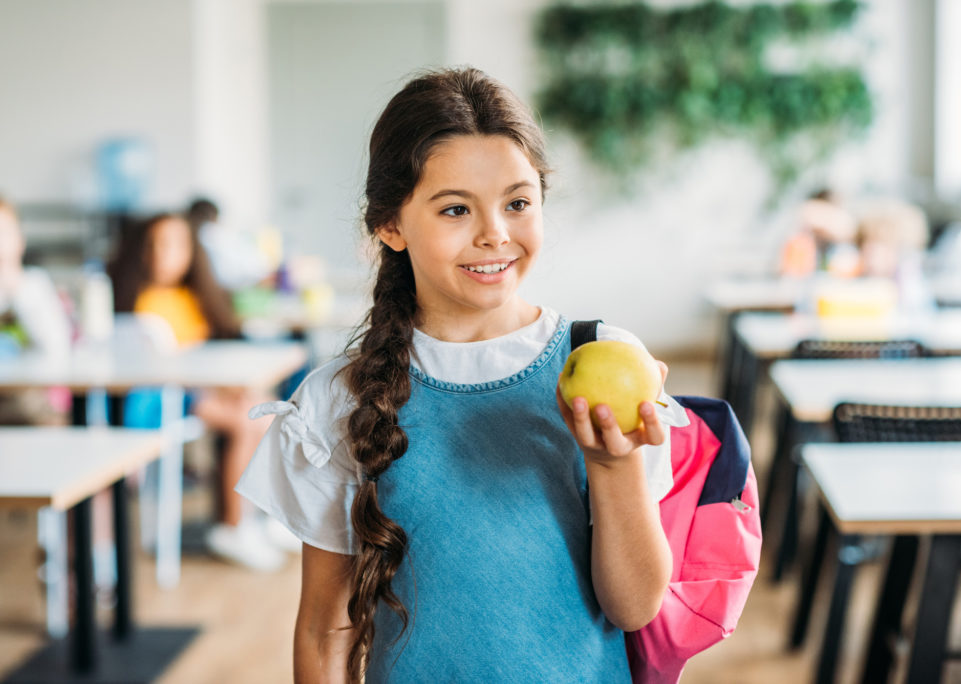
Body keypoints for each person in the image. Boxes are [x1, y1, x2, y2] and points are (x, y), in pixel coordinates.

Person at [235, 67, 707, 682]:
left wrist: (612, 467)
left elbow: (634, 605)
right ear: (391, 225)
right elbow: (326, 628)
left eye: (517, 202)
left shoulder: (604, 357)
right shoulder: (338, 400)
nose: (495, 234)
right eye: (456, 209)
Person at [107, 213, 291, 570]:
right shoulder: (137, 301)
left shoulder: (193, 297)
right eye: (156, 245)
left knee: (264, 416)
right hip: (159, 402)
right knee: (249, 420)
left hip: (195, 395)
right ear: (140, 251)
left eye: (176, 244)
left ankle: (262, 519)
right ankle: (235, 526)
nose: (165, 254)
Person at [0, 197, 71, 424]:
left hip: (33, 396)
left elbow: (57, 345)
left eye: (4, 232)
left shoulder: (35, 285)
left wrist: (16, 291)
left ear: (20, 240)